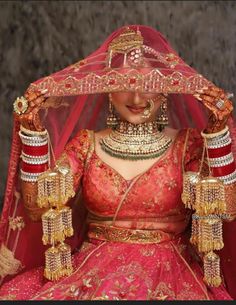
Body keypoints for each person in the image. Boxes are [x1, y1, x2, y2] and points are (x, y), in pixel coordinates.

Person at [0, 24, 235, 300]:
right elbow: (38, 209)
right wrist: (33, 134)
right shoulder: (87, 145)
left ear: (165, 91)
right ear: (109, 89)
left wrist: (219, 134)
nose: (137, 98)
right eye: (125, 85)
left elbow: (227, 209)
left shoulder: (188, 146)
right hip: (90, 273)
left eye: (148, 85)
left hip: (171, 273)